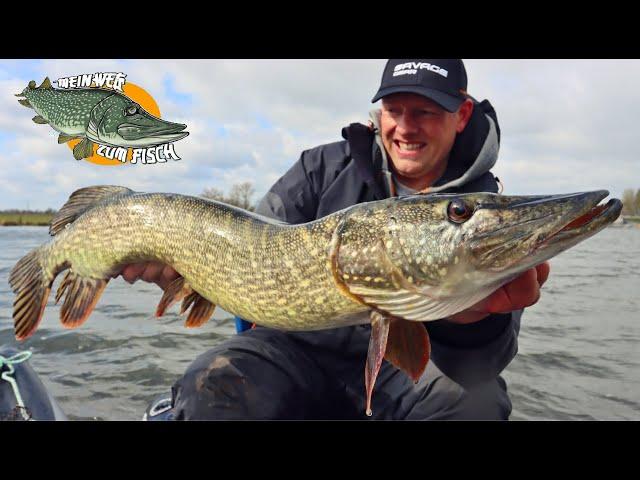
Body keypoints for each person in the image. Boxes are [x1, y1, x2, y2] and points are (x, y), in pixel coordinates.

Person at [117, 59, 550, 420]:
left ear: (462, 115)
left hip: (404, 373)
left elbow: (483, 363)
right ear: (378, 112)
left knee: (476, 404)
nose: (405, 127)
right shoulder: (321, 168)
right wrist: (188, 269)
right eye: (394, 109)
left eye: (426, 112)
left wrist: (471, 324)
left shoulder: (482, 211)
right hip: (294, 349)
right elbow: (252, 247)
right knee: (213, 383)